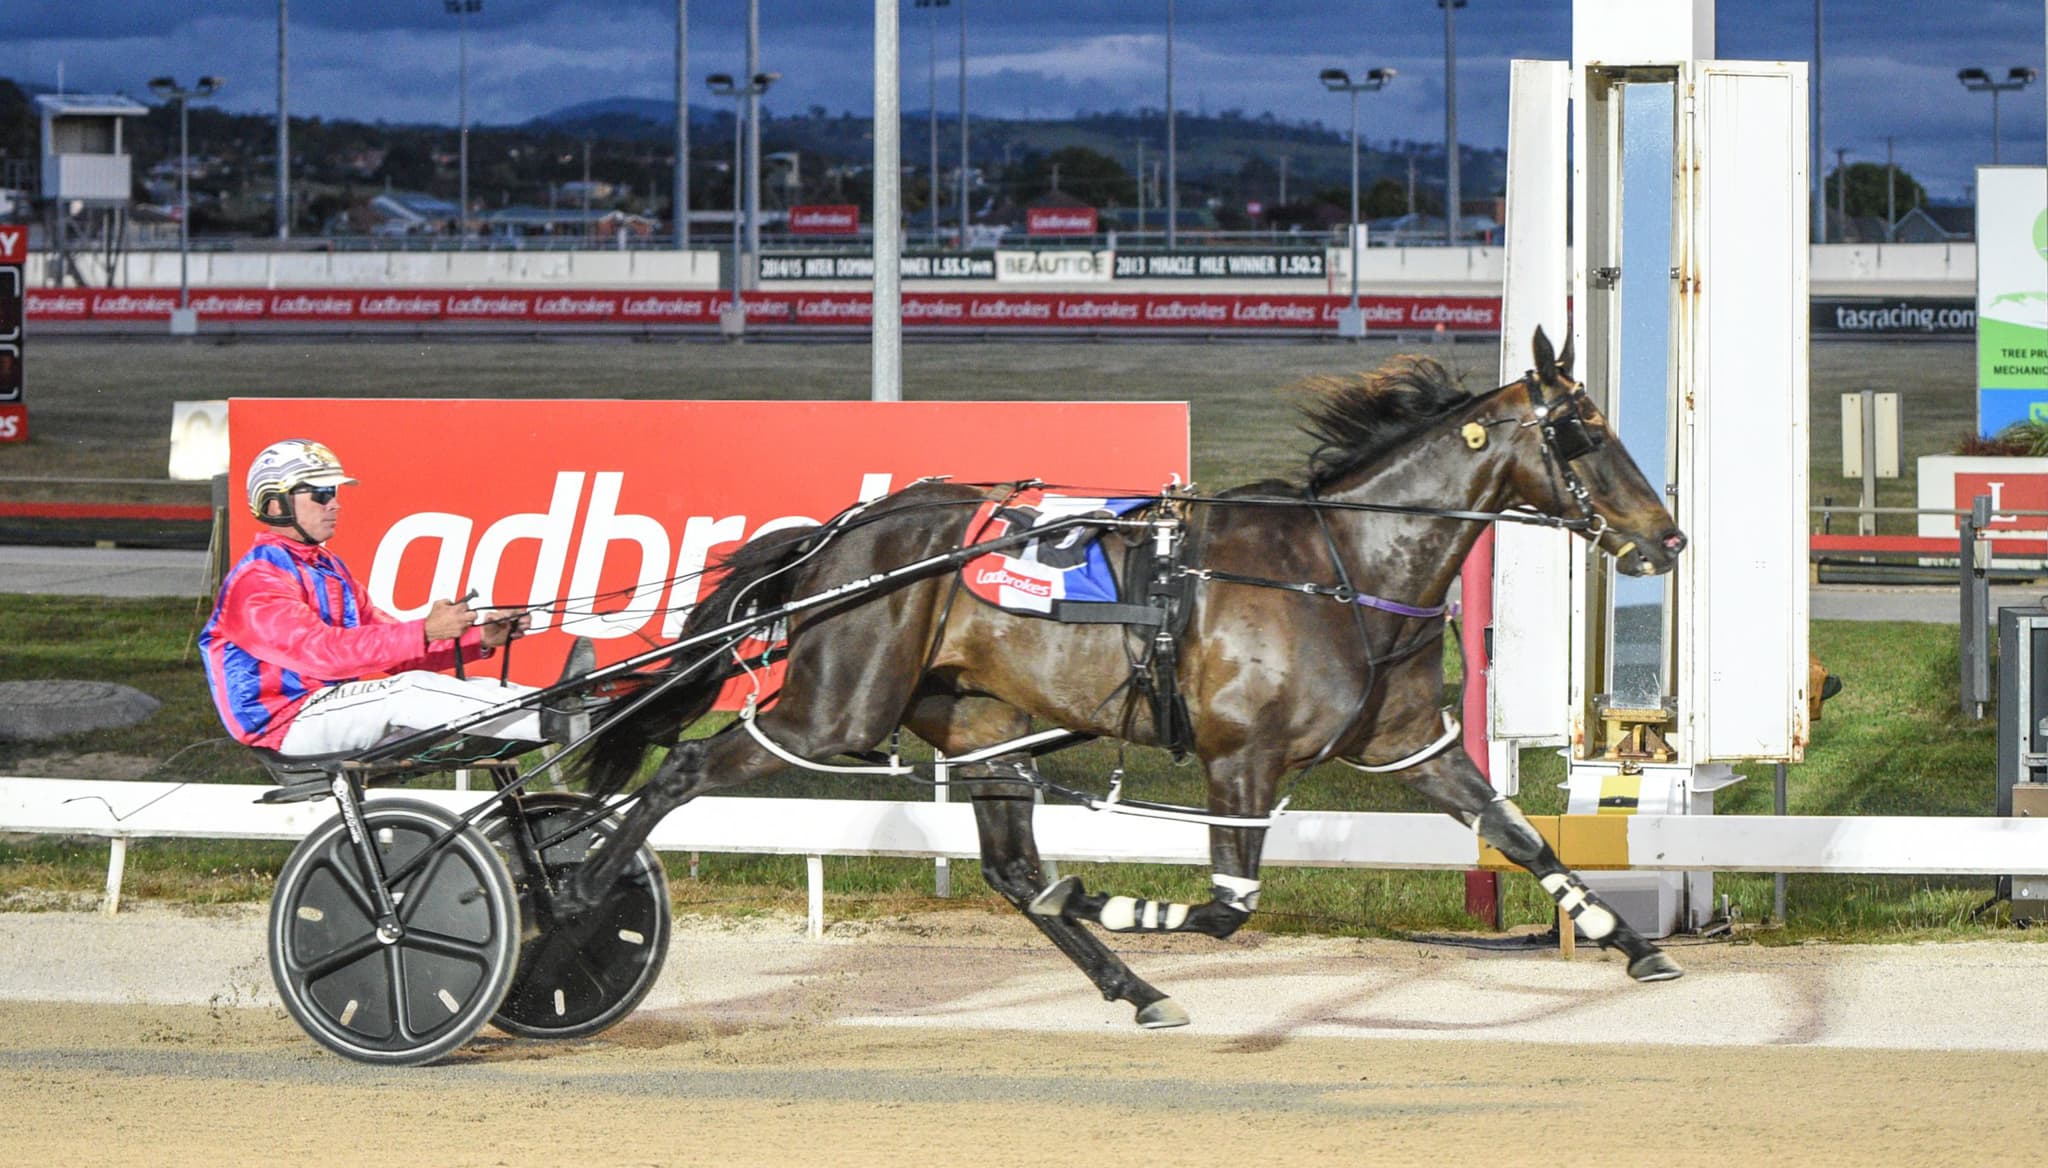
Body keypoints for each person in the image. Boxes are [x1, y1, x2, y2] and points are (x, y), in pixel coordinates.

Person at [200, 438, 593, 758]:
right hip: (285, 723)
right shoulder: (257, 581)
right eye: (320, 493)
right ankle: (552, 716)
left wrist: (480, 638)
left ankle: (578, 708)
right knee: (410, 690)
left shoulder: (326, 567)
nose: (334, 503)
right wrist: (424, 629)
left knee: (479, 689)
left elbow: (392, 646)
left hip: (325, 708)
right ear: (275, 504)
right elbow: (322, 652)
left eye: (333, 492)